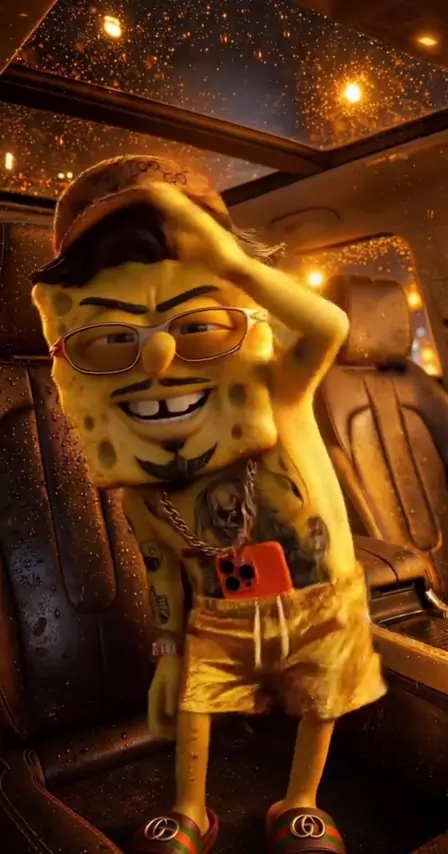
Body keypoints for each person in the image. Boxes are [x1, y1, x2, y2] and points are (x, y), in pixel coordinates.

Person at [32, 155, 386, 854]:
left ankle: (301, 803)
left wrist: (234, 264)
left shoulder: (277, 388)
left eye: (193, 319)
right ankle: (191, 808)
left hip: (324, 598)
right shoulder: (144, 484)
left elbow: (328, 327)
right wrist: (168, 652)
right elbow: (163, 576)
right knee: (199, 700)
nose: (159, 358)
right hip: (219, 612)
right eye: (114, 337)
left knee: (324, 699)